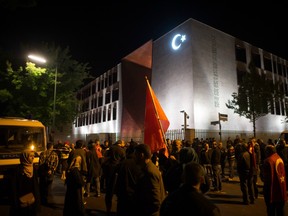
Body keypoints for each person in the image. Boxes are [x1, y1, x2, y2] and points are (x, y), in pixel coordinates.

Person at [134, 143, 166, 216]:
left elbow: (156, 199)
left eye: (135, 154)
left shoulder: (149, 172)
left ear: (141, 155)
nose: (134, 157)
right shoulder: (148, 168)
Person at [10, 149, 41, 216]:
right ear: (25, 157)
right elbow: (14, 187)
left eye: (33, 156)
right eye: (31, 156)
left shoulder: (34, 168)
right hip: (21, 200)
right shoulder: (18, 169)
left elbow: (35, 185)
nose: (33, 157)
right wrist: (15, 201)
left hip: (32, 200)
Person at [263, 145, 287, 216]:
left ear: (268, 151)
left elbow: (266, 179)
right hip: (281, 189)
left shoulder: (268, 161)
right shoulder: (279, 158)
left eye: (266, 151)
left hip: (271, 190)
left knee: (271, 211)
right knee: (280, 210)